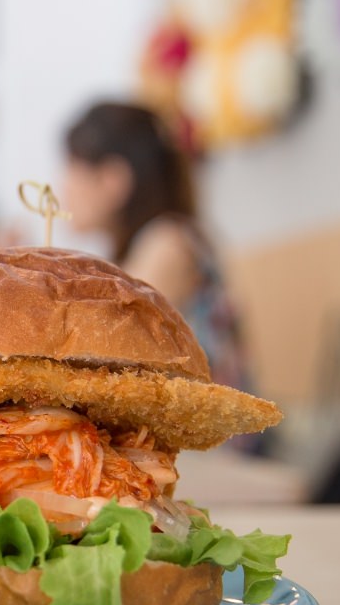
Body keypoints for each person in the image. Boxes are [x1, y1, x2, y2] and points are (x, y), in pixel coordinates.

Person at [62, 102, 249, 392]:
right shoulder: (156, 241)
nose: (62, 188)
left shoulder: (166, 243)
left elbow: (108, 352)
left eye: (71, 169)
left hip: (215, 435)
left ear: (112, 180)